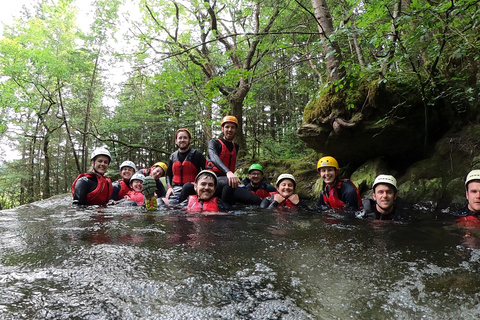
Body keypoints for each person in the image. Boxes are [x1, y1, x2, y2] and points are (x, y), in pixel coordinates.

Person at [178, 116, 241, 205]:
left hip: (227, 181)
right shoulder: (214, 143)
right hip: (213, 178)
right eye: (227, 127)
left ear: (235, 130)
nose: (229, 130)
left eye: (232, 127)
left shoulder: (236, 147)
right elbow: (213, 157)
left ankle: (225, 211)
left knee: (254, 199)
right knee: (187, 186)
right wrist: (228, 172)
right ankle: (179, 211)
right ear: (222, 128)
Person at [164, 128, 206, 204]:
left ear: (189, 140)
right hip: (176, 189)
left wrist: (199, 183)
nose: (182, 140)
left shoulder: (197, 155)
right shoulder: (173, 156)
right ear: (176, 141)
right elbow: (168, 175)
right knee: (165, 205)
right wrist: (169, 187)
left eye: (185, 138)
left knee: (187, 187)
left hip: (192, 188)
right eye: (180, 138)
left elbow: (206, 171)